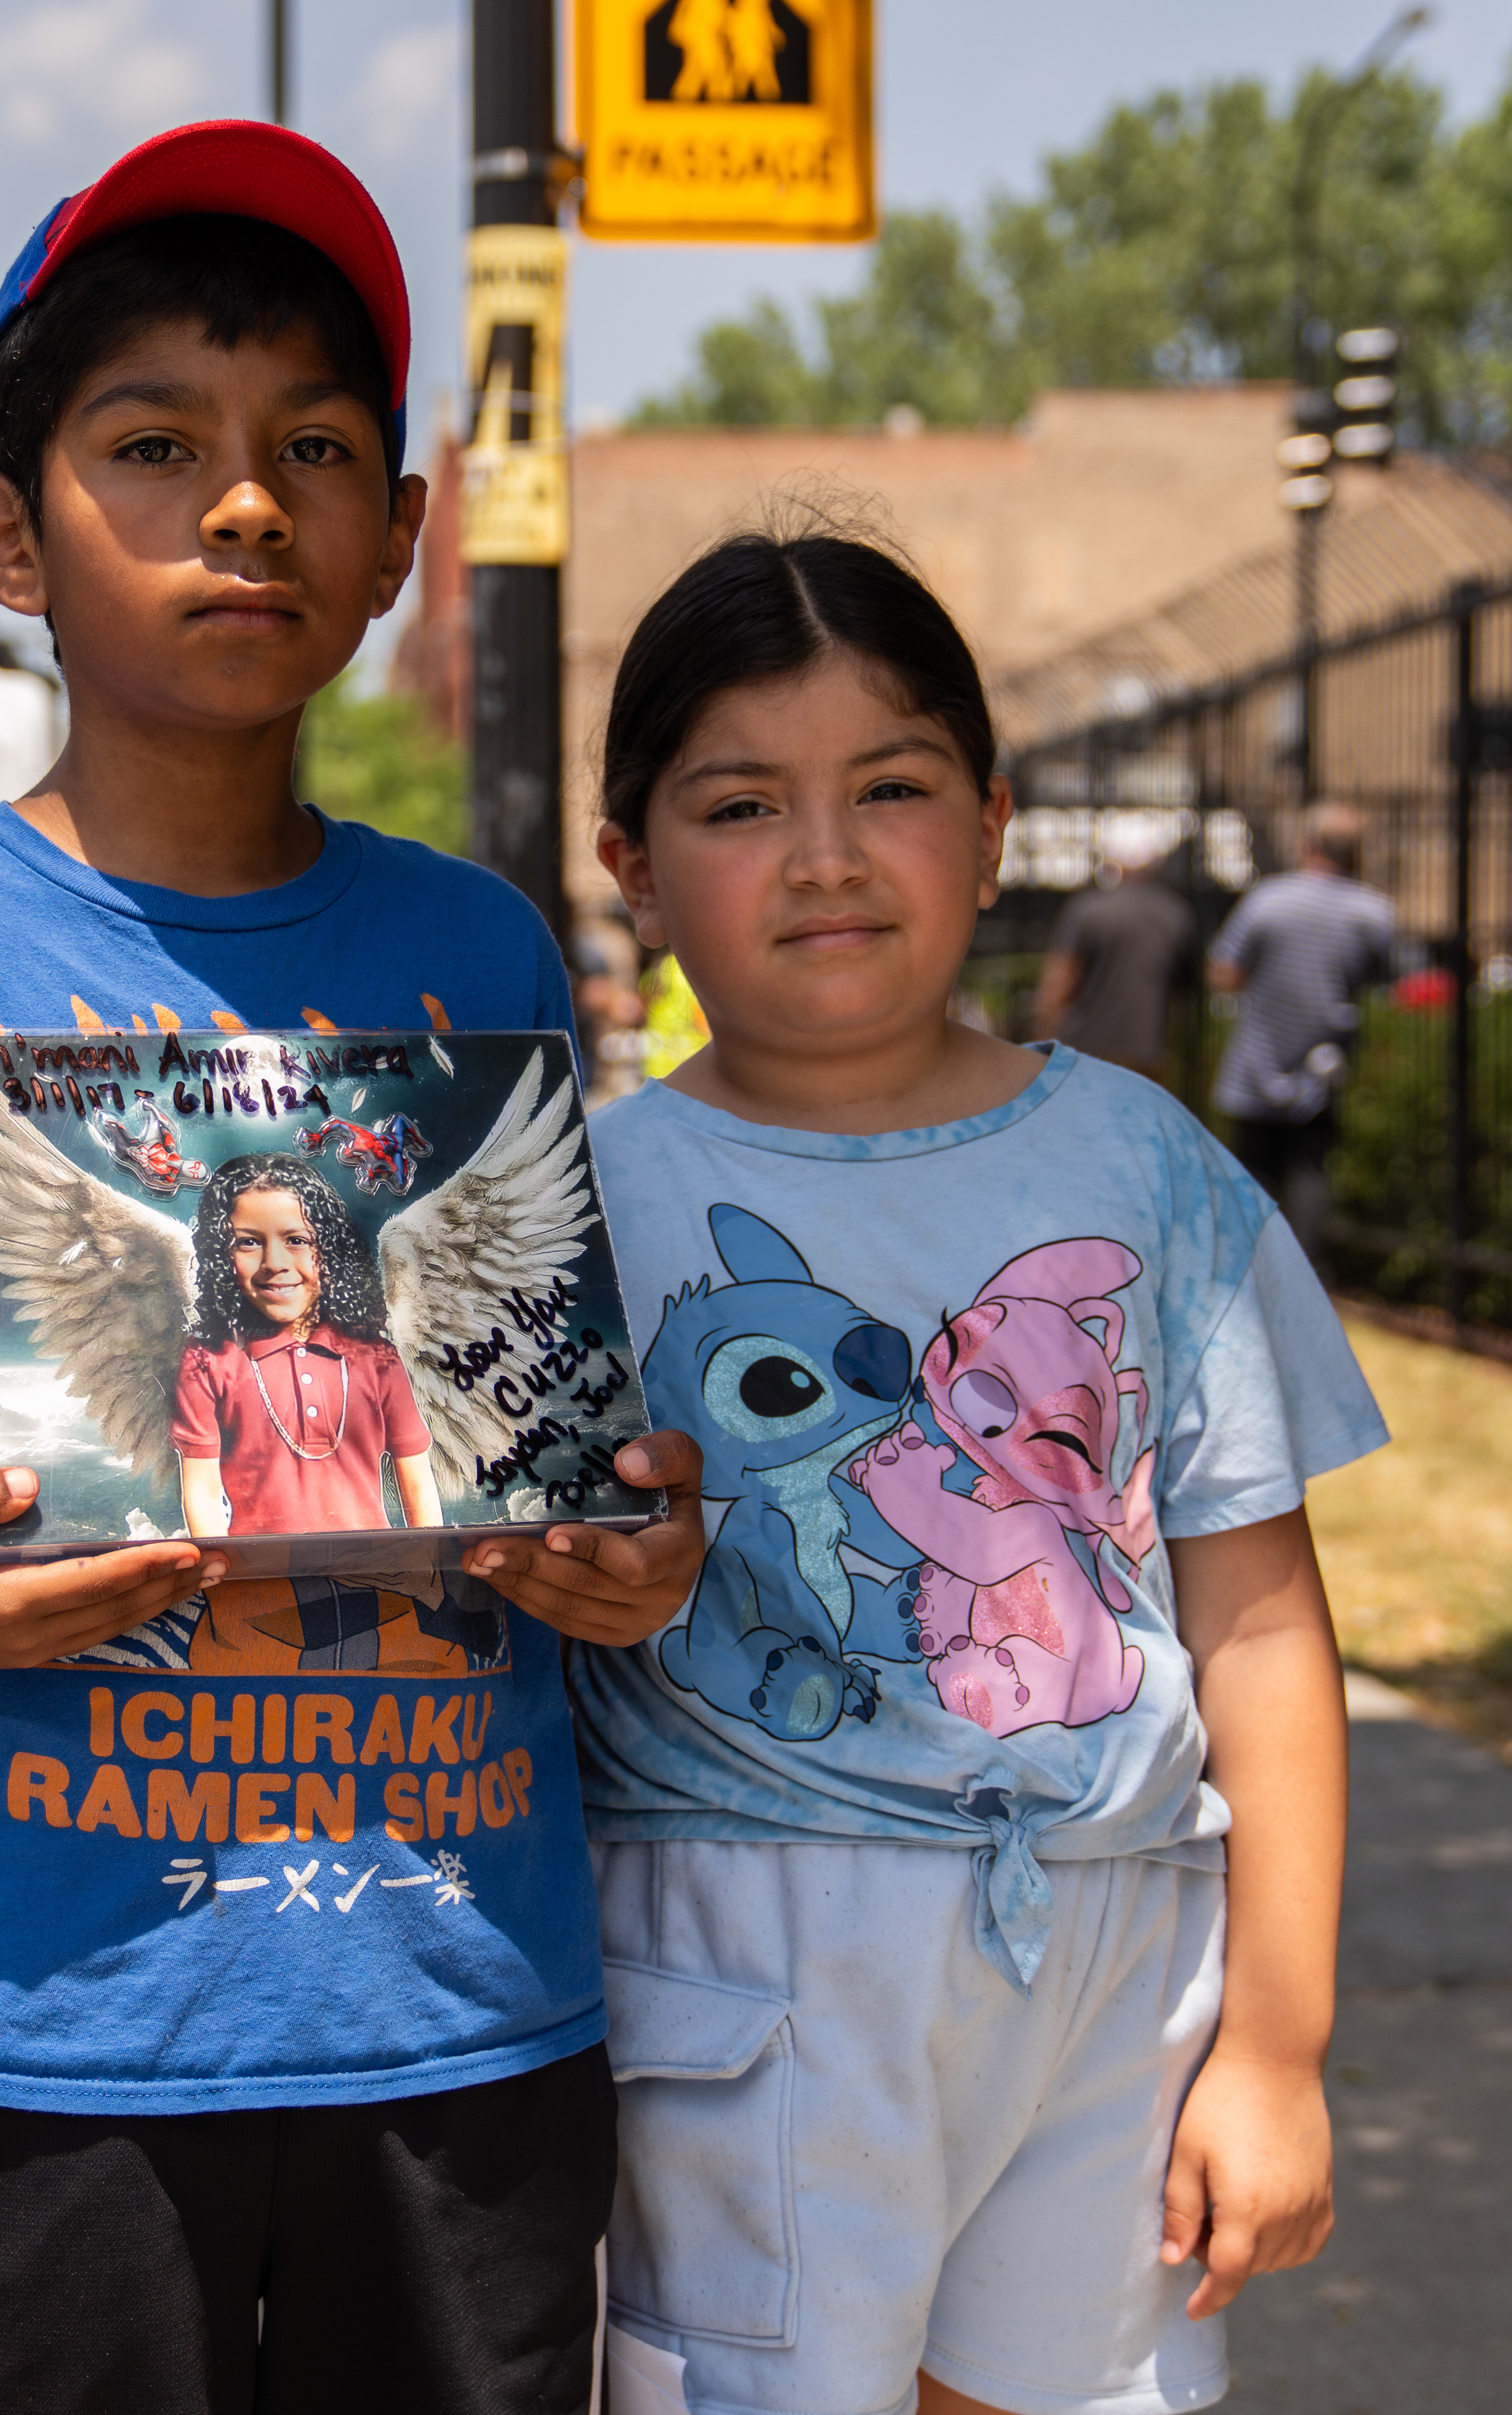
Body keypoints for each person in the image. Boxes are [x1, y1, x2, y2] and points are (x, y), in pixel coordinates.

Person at [0, 121, 706, 2415]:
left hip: (466, 2024)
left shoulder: (475, 947)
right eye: (151, 444)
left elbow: (537, 1409)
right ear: (7, 532)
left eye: (315, 444)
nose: (240, 500)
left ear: (399, 539)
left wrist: (629, 1548)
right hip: (47, 2046)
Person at [566, 521, 1387, 2415]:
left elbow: (1258, 1624)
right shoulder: (588, 1194)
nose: (829, 853)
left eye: (895, 786)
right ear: (633, 866)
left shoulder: (1145, 1166)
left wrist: (1275, 2039)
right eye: (744, 801)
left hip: (1118, 1941)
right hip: (752, 1947)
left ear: (999, 823)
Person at [174, 1153, 443, 1538]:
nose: (275, 1262)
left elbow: (417, 1482)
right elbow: (201, 1490)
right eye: (248, 1242)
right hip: (260, 1582)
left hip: (377, 1576)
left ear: (329, 1250)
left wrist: (430, 1563)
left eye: (297, 1240)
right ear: (222, 1255)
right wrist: (223, 1575)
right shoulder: (208, 1361)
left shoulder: (379, 1360)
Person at [1209, 803, 1394, 1268]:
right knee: (1311, 1169)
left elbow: (1225, 972)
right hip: (1323, 1064)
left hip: (1258, 1058)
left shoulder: (1268, 899)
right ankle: (1307, 1275)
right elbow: (1388, 981)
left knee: (1253, 1171)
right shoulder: (1373, 911)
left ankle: (1255, 1273)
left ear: (1307, 845)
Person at [1033, 821, 1198, 1083]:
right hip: (1146, 1054)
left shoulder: (1088, 910)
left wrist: (1043, 1039)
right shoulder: (1176, 915)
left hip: (1084, 1050)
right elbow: (1181, 993)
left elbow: (1060, 981)